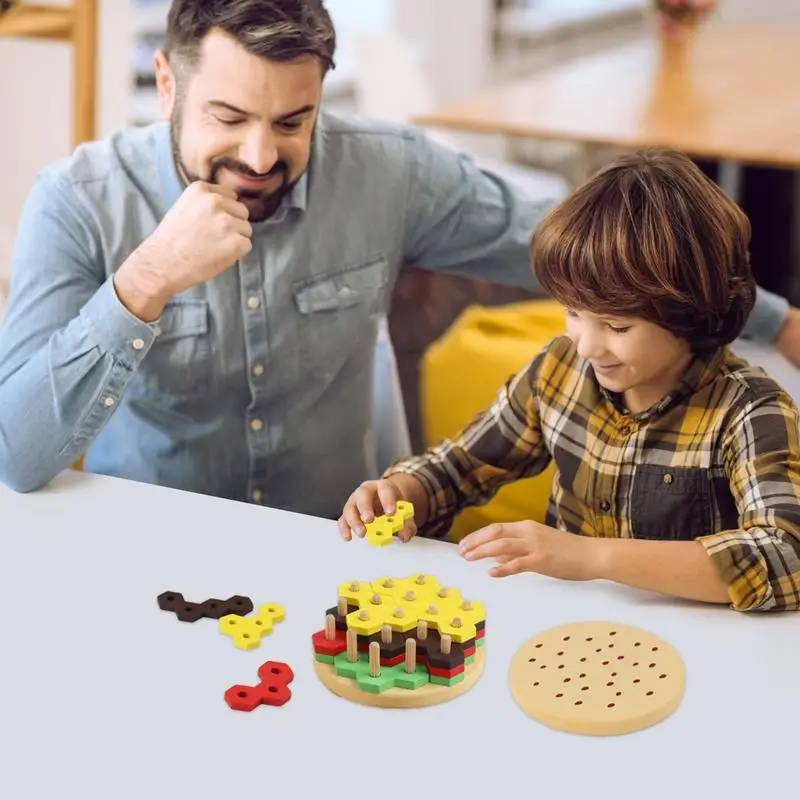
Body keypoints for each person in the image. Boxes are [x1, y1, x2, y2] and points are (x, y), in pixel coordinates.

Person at [0, 1, 797, 521]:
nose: (259, 154)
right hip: (151, 551)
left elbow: (586, 251)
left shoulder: (389, 170)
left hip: (337, 546)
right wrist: (145, 281)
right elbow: (16, 453)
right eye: (229, 116)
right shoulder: (76, 201)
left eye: (293, 121)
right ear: (167, 84)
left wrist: (776, 319)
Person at [338, 150, 800, 613]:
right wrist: (402, 491)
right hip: (570, 627)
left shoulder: (750, 411)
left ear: (695, 313)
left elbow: (785, 558)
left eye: (618, 328)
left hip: (695, 646)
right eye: (574, 313)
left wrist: (591, 556)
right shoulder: (559, 369)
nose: (585, 347)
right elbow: (460, 467)